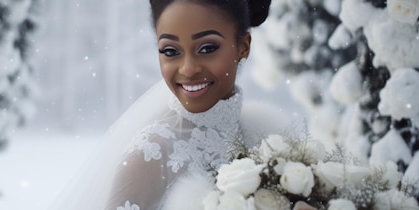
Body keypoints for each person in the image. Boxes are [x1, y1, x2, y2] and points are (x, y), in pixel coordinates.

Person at [52, 0, 278, 209]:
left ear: (243, 47)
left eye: (207, 48)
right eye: (171, 51)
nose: (188, 69)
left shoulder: (266, 140)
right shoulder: (153, 153)